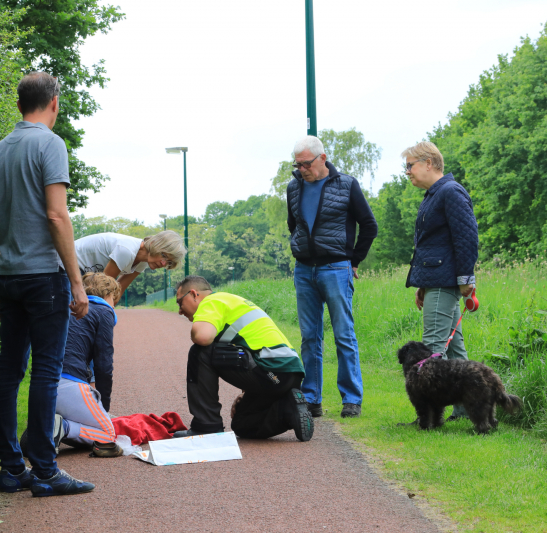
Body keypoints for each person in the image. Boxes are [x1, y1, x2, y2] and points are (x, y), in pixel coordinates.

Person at [0, 71, 94, 497]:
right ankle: (46, 472)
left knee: (9, 371)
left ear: (17, 105)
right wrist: (77, 282)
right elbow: (57, 215)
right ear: (54, 103)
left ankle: (12, 469)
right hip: (44, 277)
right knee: (47, 371)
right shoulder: (50, 144)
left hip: (8, 277)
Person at [286, 135, 378, 419]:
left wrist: (354, 260)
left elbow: (369, 225)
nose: (302, 169)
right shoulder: (293, 188)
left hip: (337, 268)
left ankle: (351, 399)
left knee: (343, 334)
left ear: (322, 158)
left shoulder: (346, 185)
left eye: (306, 164)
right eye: (297, 165)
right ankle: (312, 398)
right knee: (309, 337)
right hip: (304, 270)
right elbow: (294, 225)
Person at [173, 276, 313, 441]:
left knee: (200, 351)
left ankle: (206, 426)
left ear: (194, 294)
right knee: (242, 424)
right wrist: (248, 391)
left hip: (270, 369)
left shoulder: (211, 301)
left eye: (180, 303)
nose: (180, 311)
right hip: (289, 375)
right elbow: (249, 344)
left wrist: (196, 325)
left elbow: (202, 337)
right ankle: (289, 410)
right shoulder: (234, 301)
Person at [402, 141, 478, 423]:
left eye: (410, 165)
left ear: (428, 163)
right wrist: (423, 284)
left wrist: (465, 279)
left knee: (431, 350)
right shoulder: (435, 194)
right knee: (455, 349)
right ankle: (463, 409)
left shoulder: (450, 192)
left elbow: (467, 238)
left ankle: (430, 417)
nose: (407, 171)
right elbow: (436, 245)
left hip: (447, 283)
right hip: (438, 280)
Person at [21, 273, 123, 458]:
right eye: (114, 299)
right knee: (108, 435)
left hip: (42, 385)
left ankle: (47, 430)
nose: (114, 304)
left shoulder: (64, 307)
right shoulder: (103, 310)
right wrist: (103, 406)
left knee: (86, 425)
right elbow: (104, 365)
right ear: (108, 295)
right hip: (70, 383)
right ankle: (64, 427)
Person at [75, 230, 186, 298]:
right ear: (153, 243)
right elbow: (101, 288)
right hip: (68, 262)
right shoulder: (126, 250)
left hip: (86, 274)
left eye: (169, 262)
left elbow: (119, 289)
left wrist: (110, 309)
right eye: (164, 256)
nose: (163, 263)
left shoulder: (143, 262)